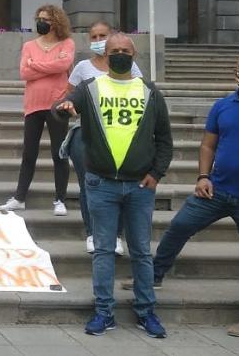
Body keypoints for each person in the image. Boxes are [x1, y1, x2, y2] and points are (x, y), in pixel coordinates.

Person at [140, 51, 239, 338]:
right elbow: (208, 145)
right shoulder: (222, 106)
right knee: (179, 226)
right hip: (216, 190)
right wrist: (203, 176)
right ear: (234, 71)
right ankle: (153, 276)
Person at [54, 33, 173, 339]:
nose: (120, 54)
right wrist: (64, 107)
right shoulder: (90, 87)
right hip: (101, 183)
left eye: (125, 50)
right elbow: (63, 105)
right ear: (105, 56)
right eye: (114, 50)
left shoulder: (150, 91)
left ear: (134, 55)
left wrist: (156, 173)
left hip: (140, 186)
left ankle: (146, 311)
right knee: (104, 250)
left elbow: (164, 139)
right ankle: (104, 312)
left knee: (141, 252)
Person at [63, 20, 142, 254]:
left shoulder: (131, 67)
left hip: (120, 134)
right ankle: (92, 233)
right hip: (86, 134)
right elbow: (71, 95)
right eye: (94, 36)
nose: (98, 41)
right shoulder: (82, 68)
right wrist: (70, 106)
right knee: (88, 184)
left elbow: (140, 92)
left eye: (103, 36)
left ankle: (115, 235)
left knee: (118, 185)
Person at [0, 4, 73, 216]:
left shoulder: (67, 43)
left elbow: (63, 65)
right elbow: (24, 73)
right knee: (29, 153)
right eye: (39, 18)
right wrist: (49, 66)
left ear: (56, 22)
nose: (41, 22)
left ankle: (60, 200)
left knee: (59, 153)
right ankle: (19, 197)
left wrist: (36, 65)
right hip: (33, 104)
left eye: (46, 19)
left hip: (57, 104)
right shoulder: (29, 46)